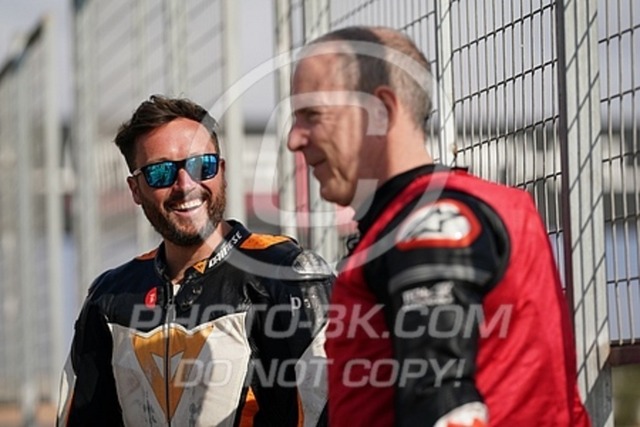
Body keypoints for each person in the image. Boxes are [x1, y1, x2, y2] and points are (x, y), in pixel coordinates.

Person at [287, 26, 591, 427]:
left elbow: (444, 403)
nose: (294, 139)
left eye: (312, 116)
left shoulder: (429, 223)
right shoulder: (434, 213)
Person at [57, 95, 333, 427]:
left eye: (202, 165)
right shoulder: (109, 298)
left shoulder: (288, 278)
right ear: (135, 189)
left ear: (222, 172)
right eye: (161, 172)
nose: (185, 185)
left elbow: (331, 412)